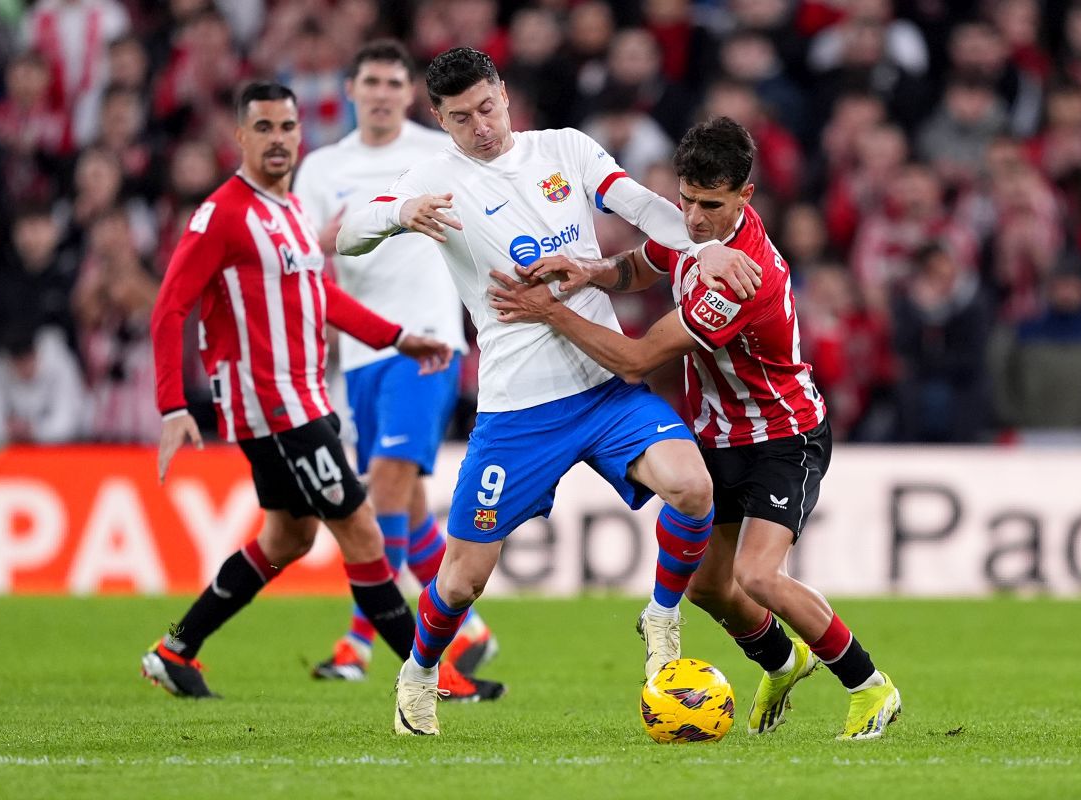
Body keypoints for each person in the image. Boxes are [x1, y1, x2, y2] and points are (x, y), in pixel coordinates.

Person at [338, 47, 763, 736]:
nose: (480, 125)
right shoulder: (434, 177)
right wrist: (402, 212)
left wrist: (700, 248)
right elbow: (349, 236)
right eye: (460, 117)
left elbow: (641, 205)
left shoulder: (564, 149)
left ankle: (660, 617)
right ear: (440, 120)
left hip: (605, 388)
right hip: (518, 412)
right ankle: (418, 672)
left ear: (504, 94)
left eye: (487, 106)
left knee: (693, 488)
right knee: (461, 582)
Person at [488, 117, 902, 741]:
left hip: (782, 435)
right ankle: (784, 664)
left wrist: (550, 313)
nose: (695, 218)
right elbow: (642, 266)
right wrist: (588, 272)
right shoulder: (691, 237)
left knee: (757, 576)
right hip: (720, 435)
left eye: (711, 205)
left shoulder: (743, 275)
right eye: (685, 200)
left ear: (746, 197)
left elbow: (636, 359)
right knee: (708, 586)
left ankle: (871, 687)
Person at [142, 81, 467, 701]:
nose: (277, 140)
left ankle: (175, 649)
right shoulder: (221, 216)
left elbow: (321, 296)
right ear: (239, 136)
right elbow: (168, 309)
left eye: (287, 128)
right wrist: (172, 405)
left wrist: (398, 338)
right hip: (272, 406)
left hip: (303, 398)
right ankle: (434, 674)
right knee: (363, 532)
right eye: (263, 128)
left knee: (288, 537)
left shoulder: (290, 211)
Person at [292, 39, 500, 694]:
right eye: (370, 81)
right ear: (349, 89)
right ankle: (469, 631)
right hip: (359, 351)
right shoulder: (322, 168)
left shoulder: (435, 155)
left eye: (393, 82)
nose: (381, 92)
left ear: (411, 95)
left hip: (428, 341)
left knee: (381, 487)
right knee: (405, 508)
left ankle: (359, 643)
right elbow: (301, 252)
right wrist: (349, 231)